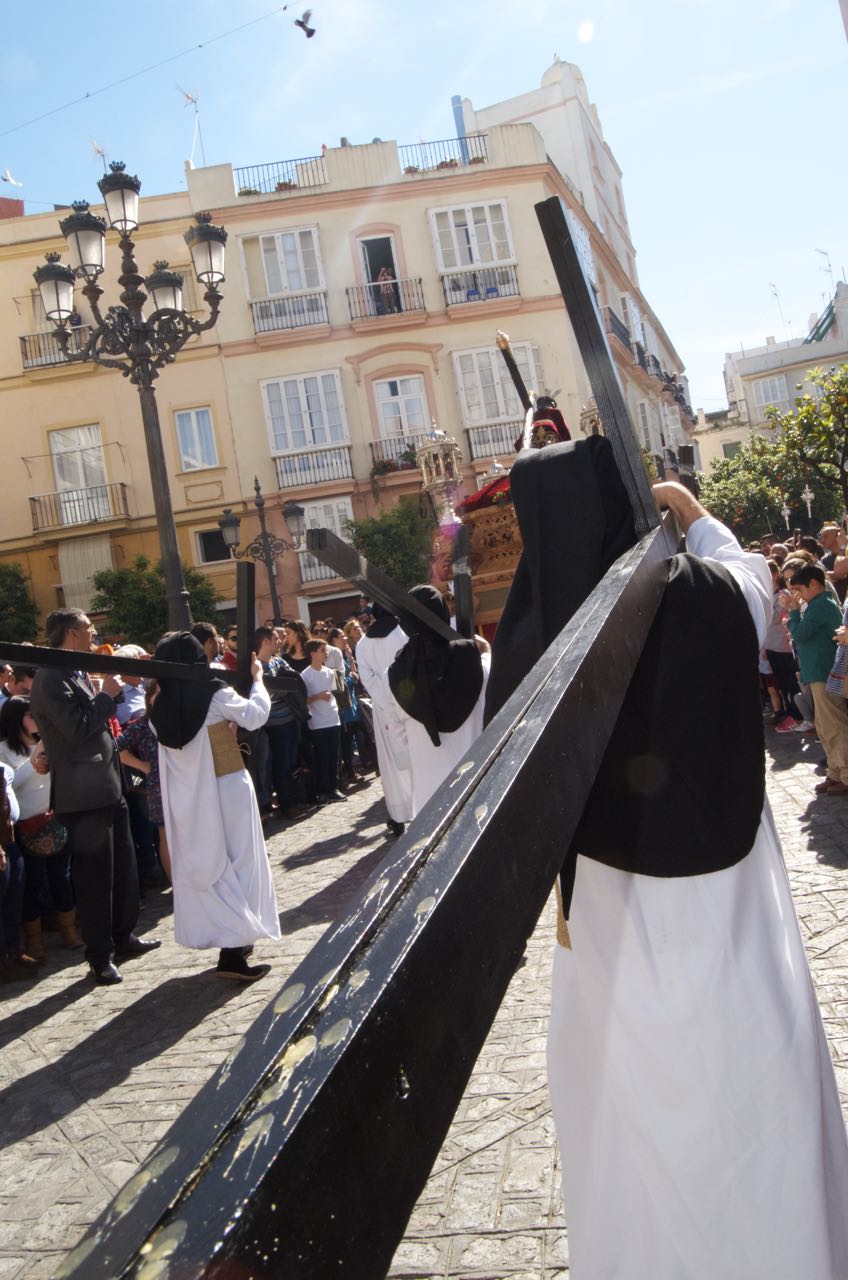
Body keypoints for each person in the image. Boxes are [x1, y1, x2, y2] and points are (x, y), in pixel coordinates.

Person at [487, 441, 848, 1279]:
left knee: (631, 1105)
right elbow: (752, 584)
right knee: (747, 1066)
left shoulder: (536, 628)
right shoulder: (700, 592)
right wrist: (693, 510)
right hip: (725, 900)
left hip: (608, 913)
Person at [29, 610, 160, 985]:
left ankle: (123, 936)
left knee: (123, 867)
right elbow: (76, 729)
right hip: (83, 795)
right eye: (89, 627)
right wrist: (106, 696)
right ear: (72, 633)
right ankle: (99, 955)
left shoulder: (72, 670)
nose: (94, 632)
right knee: (94, 878)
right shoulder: (52, 676)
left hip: (106, 784)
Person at [150, 632, 280, 983]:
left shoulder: (158, 707)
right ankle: (234, 950)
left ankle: (235, 941)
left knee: (218, 866)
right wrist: (258, 679)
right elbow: (255, 716)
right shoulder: (214, 692)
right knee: (242, 862)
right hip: (228, 789)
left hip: (192, 802)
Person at [387, 586, 489, 818]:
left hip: (429, 798)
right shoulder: (476, 662)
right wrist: (487, 652)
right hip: (478, 788)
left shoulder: (394, 675)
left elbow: (400, 734)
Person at [0, 695, 80, 962]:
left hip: (55, 819)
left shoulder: (45, 742)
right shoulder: (4, 750)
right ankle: (34, 942)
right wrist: (34, 761)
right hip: (25, 826)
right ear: (16, 719)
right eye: (30, 715)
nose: (36, 719)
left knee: (62, 877)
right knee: (32, 884)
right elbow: (11, 783)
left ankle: (69, 931)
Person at [785, 561, 848, 796]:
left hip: (825, 673)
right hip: (818, 673)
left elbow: (800, 634)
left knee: (834, 725)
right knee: (824, 727)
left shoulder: (821, 605)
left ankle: (845, 774)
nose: (798, 596)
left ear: (814, 584)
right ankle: (835, 772)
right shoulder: (816, 604)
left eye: (800, 590)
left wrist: (792, 612)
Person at [355, 605, 413, 836]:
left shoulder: (362, 645)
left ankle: (399, 815)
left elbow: (368, 680)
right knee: (418, 756)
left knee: (393, 764)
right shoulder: (404, 633)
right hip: (411, 703)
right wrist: (402, 700)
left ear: (374, 616)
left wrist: (387, 703)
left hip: (383, 710)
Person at [301, 639, 343, 804]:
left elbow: (333, 692)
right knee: (322, 757)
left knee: (334, 756)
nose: (326, 653)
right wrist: (318, 696)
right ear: (313, 653)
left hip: (333, 718)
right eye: (322, 650)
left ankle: (333, 788)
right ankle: (322, 791)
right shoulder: (305, 675)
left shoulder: (329, 672)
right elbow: (303, 700)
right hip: (318, 722)